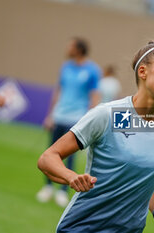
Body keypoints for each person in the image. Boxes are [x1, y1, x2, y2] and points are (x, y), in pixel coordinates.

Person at [37, 41, 154, 233]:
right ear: (143, 72)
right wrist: (72, 177)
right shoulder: (107, 115)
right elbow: (47, 158)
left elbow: (150, 175)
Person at [36, 37, 101, 207]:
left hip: (76, 119)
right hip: (59, 116)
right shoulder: (66, 67)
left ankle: (63, 191)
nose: (67, 48)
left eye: (70, 46)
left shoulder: (92, 70)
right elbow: (58, 90)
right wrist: (50, 115)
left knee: (70, 156)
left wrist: (91, 118)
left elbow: (94, 95)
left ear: (79, 49)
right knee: (51, 152)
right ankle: (48, 188)